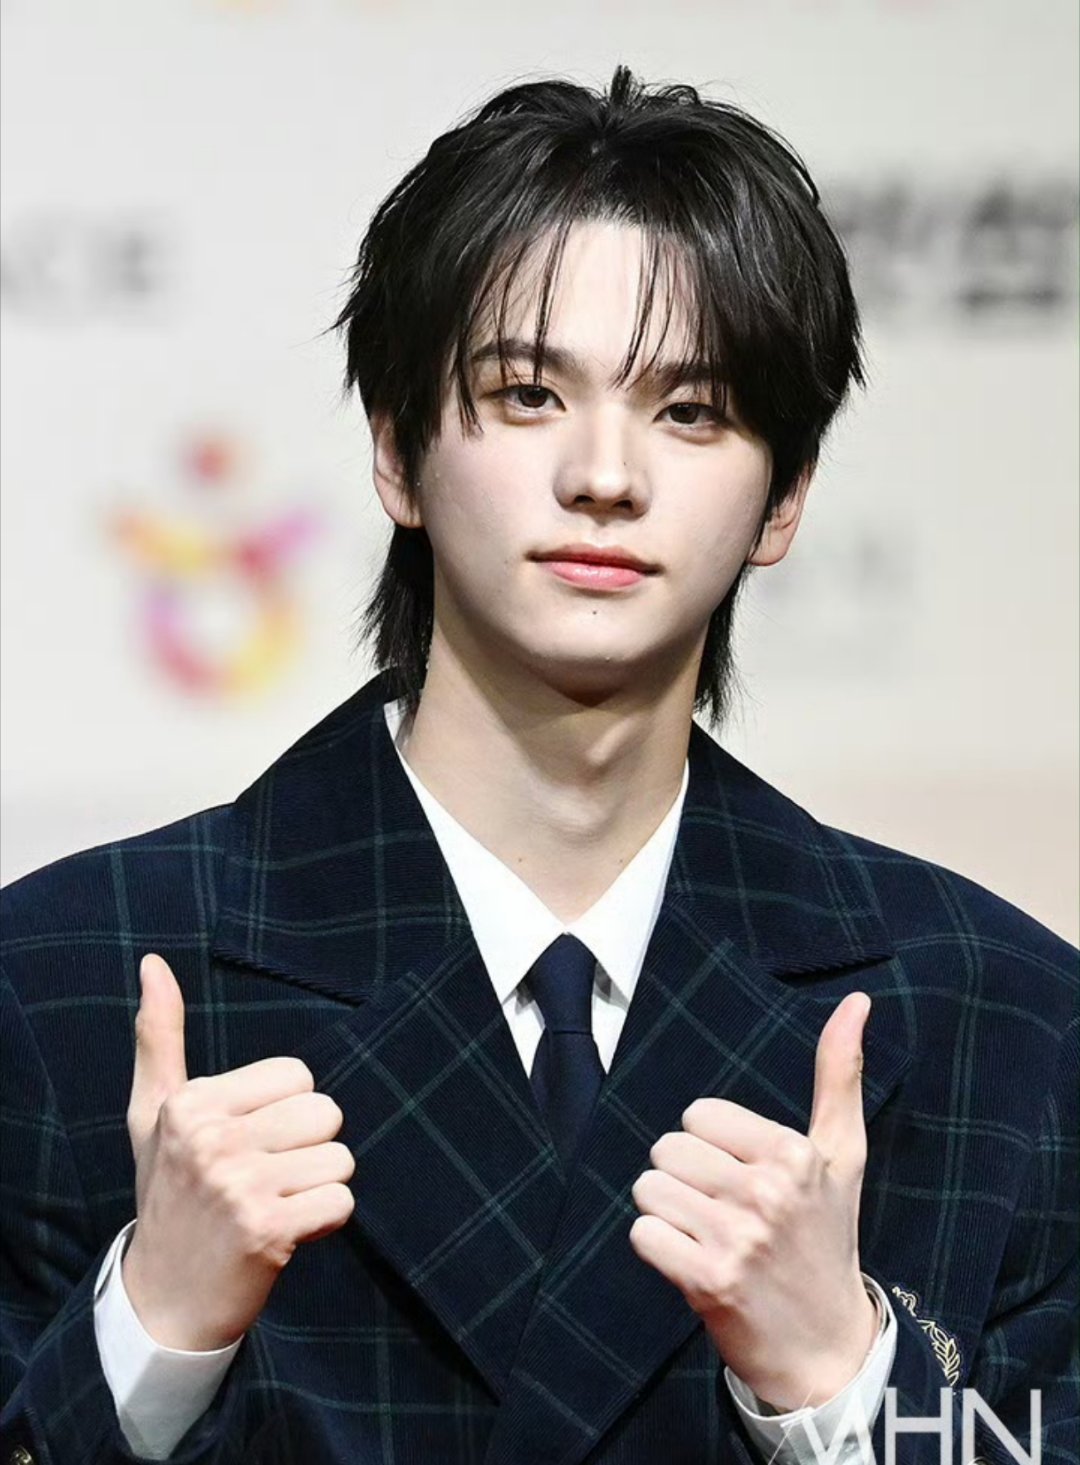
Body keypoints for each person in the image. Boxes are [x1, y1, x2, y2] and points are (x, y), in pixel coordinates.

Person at [1, 66, 1076, 1465]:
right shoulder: (66, 989)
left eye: (691, 411)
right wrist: (151, 1341)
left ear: (785, 499)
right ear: (397, 451)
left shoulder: (1003, 1027)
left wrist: (843, 1384)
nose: (604, 475)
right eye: (527, 394)